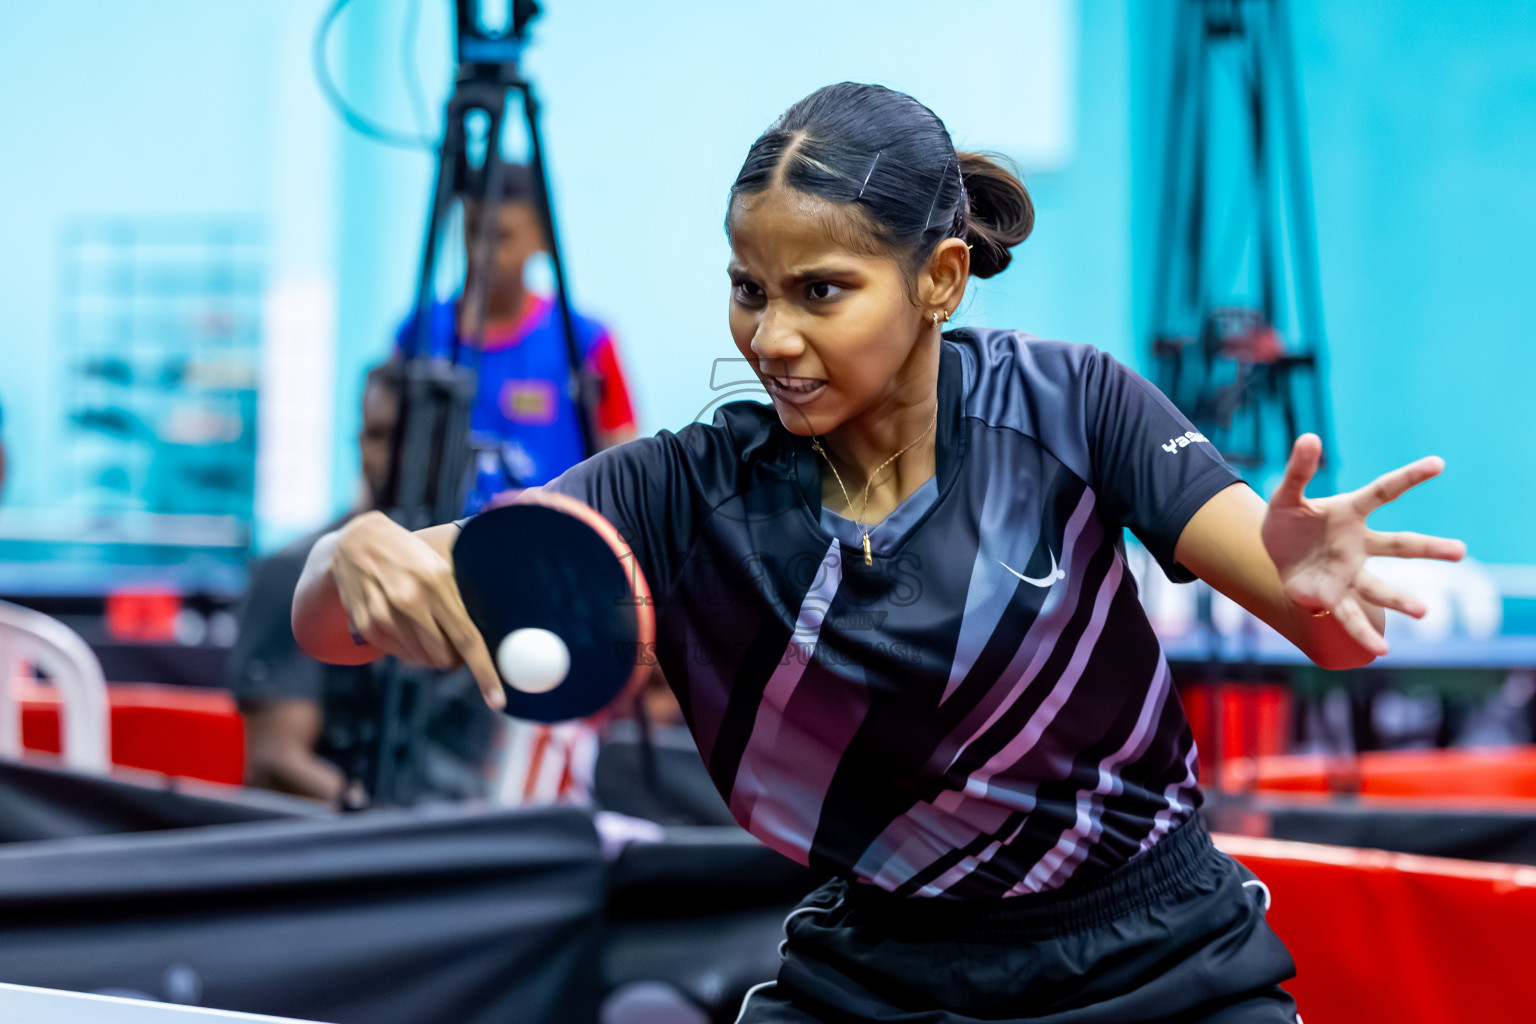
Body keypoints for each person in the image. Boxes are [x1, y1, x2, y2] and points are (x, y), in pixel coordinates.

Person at [295, 84, 1465, 1022]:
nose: (773, 336)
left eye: (821, 291)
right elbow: (339, 620)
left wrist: (1311, 581)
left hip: (1153, 965)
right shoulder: (688, 485)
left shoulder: (1068, 403)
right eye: (748, 291)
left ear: (938, 280)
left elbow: (1318, 622)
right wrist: (356, 553)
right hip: (888, 971)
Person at [230, 364, 496, 803]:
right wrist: (384, 827)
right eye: (377, 435)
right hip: (342, 847)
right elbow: (275, 760)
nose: (393, 458)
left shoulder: (482, 576)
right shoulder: (296, 575)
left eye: (415, 438)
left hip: (462, 838)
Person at [394, 162, 639, 512]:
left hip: (551, 549)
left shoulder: (586, 342)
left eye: (502, 237)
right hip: (433, 549)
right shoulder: (417, 335)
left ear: (541, 236)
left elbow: (624, 469)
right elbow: (380, 456)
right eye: (473, 231)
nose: (482, 253)